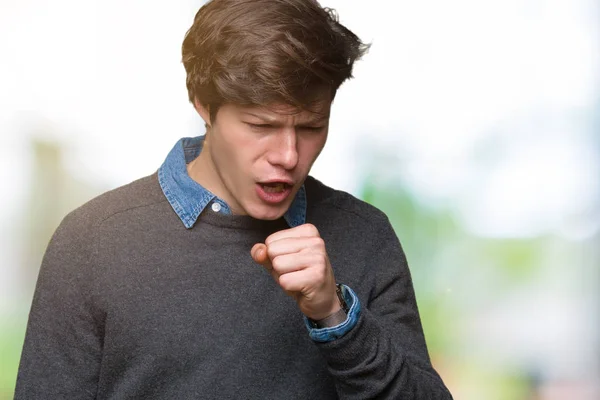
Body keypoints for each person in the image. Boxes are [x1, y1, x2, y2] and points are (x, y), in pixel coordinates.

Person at [15, 0, 453, 398]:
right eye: (261, 126)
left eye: (310, 127)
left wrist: (335, 317)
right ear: (203, 104)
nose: (288, 156)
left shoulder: (364, 235)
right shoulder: (92, 241)